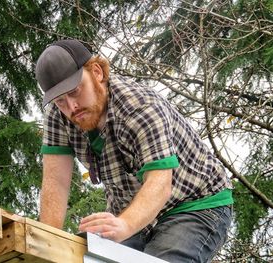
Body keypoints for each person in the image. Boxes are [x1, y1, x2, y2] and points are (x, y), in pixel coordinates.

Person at [35, 39, 233, 262]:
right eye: (61, 100)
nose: (71, 107)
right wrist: (45, 245)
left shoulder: (139, 107)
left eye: (75, 92)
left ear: (97, 72)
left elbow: (160, 183)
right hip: (132, 211)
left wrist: (125, 224)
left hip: (194, 204)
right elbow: (55, 182)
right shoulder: (58, 114)